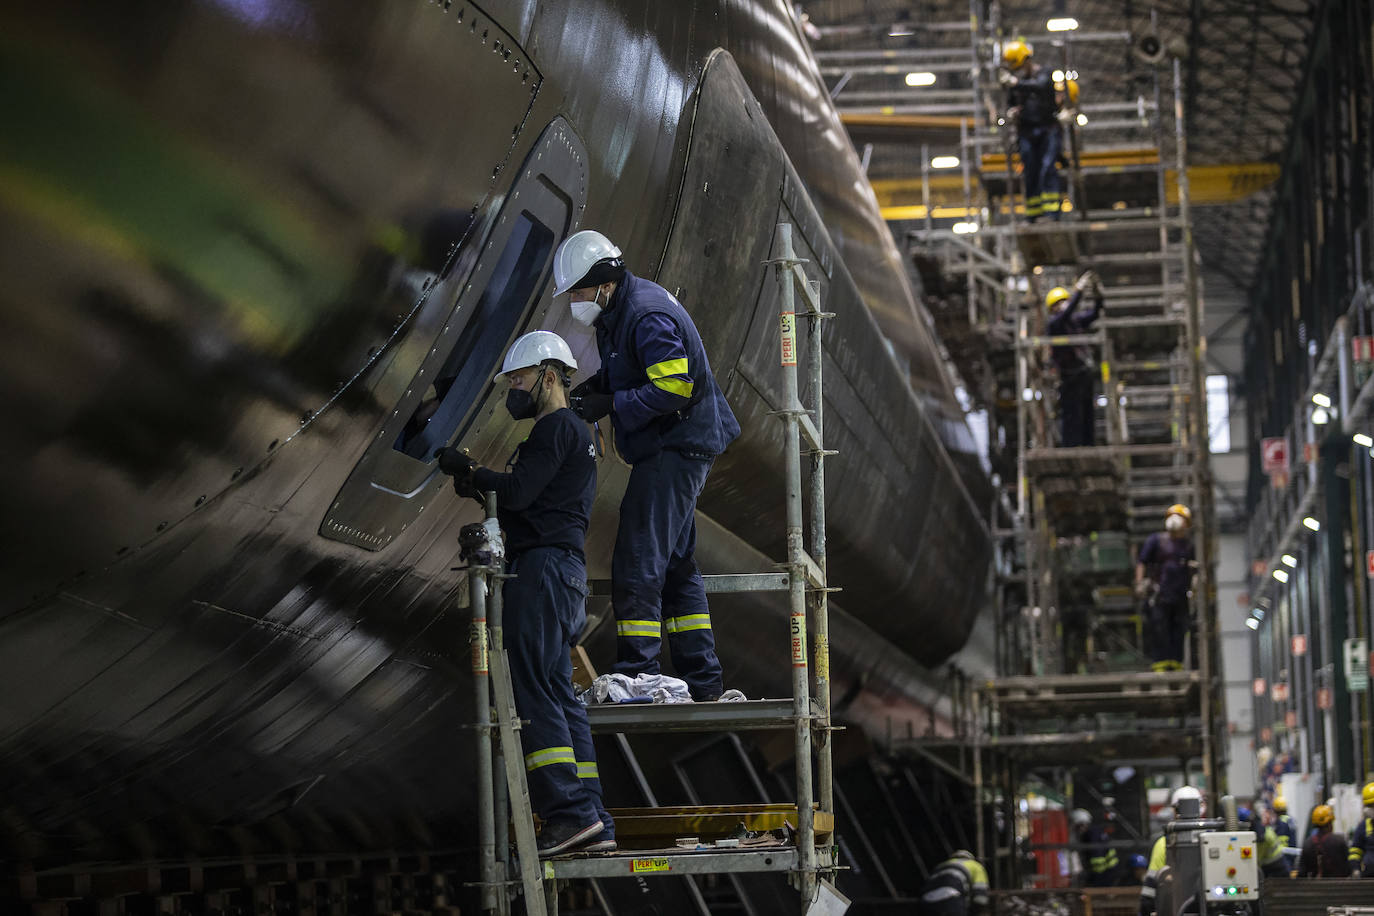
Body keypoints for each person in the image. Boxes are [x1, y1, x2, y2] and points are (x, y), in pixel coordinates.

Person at [435, 331, 614, 857]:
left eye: (518, 378)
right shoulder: (578, 433)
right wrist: (479, 486)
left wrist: (469, 470)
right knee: (561, 696)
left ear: (549, 375)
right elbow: (530, 502)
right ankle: (594, 817)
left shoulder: (555, 428)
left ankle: (569, 815)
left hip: (541, 573)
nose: (513, 388)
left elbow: (517, 492)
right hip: (563, 574)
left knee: (534, 694)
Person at [552, 229, 741, 702]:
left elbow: (675, 387)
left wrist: (611, 402)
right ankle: (703, 680)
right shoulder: (619, 310)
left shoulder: (645, 314)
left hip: (677, 447)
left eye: (577, 291)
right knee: (676, 564)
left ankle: (639, 672)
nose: (574, 301)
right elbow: (632, 368)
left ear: (603, 283)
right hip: (671, 444)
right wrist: (594, 391)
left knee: (638, 556)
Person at [1000, 39, 1062, 222]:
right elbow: (1011, 102)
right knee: (1031, 172)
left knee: (1047, 168)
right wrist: (1011, 112)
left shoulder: (1044, 74)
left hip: (1047, 130)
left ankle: (1052, 215)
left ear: (1027, 59)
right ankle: (1034, 215)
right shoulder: (1016, 84)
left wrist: (1014, 83)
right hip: (1026, 132)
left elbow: (1041, 86)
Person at [1046, 270, 1104, 447]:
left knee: (1087, 412)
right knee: (1072, 414)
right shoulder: (1055, 324)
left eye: (1064, 301)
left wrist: (1098, 296)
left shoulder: (1075, 322)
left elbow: (1094, 314)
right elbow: (1067, 313)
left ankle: (1088, 446)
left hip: (1083, 374)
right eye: (1059, 303)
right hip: (1069, 377)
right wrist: (1078, 290)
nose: (1063, 305)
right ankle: (1071, 447)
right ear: (1053, 308)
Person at [1135, 505, 1197, 672]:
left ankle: (1176, 663)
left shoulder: (1188, 546)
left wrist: (1195, 588)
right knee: (1159, 628)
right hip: (1159, 594)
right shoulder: (1156, 540)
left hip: (1180, 596)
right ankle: (1160, 663)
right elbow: (1142, 562)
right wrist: (1140, 583)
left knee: (1179, 630)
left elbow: (1194, 569)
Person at [1140, 786, 1202, 916]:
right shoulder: (1211, 839)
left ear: (1175, 810)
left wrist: (1145, 910)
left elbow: (1150, 887)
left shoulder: (1164, 843)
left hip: (1174, 908)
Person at [918, 849, 990, 916]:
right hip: (951, 900)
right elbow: (980, 898)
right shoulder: (976, 865)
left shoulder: (941, 865)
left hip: (926, 900)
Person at [1073, 808, 1120, 886]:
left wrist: (1093, 874)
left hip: (1103, 872)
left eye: (1081, 825)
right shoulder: (1096, 832)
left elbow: (1097, 855)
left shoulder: (1092, 835)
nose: (1081, 829)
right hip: (1109, 869)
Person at [1300, 804, 1350, 877]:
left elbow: (1302, 872)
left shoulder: (1308, 844)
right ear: (1330, 823)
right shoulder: (1339, 841)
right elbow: (1348, 867)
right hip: (1339, 886)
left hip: (1315, 887)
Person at [1346, 781, 1374, 876]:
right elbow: (1355, 850)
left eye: (1372, 805)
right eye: (1368, 806)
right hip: (1368, 877)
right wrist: (1355, 868)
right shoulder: (1363, 826)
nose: (1369, 809)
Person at [1272, 795, 1298, 874]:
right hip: (1292, 854)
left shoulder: (1280, 822)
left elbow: (1278, 840)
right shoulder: (1291, 820)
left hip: (1283, 857)